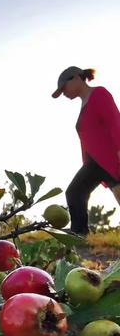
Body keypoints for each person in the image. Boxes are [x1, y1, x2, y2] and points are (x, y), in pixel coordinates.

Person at [52, 66, 120, 235]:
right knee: (75, 193)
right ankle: (79, 235)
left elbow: (115, 123)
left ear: (75, 78)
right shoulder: (85, 103)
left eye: (63, 88)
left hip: (109, 159)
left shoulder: (99, 94)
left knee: (75, 193)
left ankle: (79, 236)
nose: (64, 93)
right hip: (97, 163)